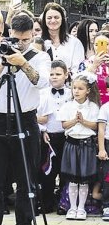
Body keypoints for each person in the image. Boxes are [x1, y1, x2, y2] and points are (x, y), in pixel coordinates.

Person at [0, 14, 51, 225]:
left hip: (26, 119)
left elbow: (41, 81)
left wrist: (22, 62)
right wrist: (4, 61)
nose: (20, 44)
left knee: (27, 177)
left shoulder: (40, 56)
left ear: (32, 36)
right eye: (16, 39)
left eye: (25, 40)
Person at [57, 72, 100, 221]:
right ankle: (72, 208)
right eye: (74, 88)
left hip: (86, 144)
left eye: (80, 88)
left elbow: (95, 125)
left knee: (84, 179)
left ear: (88, 90)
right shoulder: (68, 106)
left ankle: (81, 208)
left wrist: (83, 121)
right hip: (72, 143)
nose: (76, 91)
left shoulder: (93, 107)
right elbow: (64, 124)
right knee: (73, 179)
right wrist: (75, 121)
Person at [39, 60, 70, 213]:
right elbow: (39, 115)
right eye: (52, 74)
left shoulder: (71, 93)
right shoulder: (43, 94)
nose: (54, 77)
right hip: (48, 136)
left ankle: (64, 202)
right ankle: (46, 202)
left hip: (66, 136)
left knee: (65, 170)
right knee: (47, 171)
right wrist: (43, 130)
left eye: (58, 74)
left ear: (66, 75)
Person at [40, 2, 84, 73]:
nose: (53, 21)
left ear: (62, 19)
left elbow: (78, 70)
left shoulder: (74, 43)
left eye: (56, 17)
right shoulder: (37, 42)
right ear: (44, 20)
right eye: (49, 18)